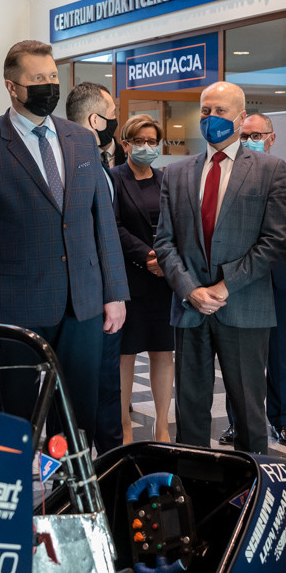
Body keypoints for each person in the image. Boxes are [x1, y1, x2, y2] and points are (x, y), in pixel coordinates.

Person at [0, 40, 129, 442]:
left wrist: (115, 292)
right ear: (12, 87)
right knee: (17, 421)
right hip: (17, 308)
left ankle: (66, 485)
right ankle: (14, 482)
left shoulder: (82, 140)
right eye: (38, 79)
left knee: (77, 421)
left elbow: (102, 222)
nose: (49, 85)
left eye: (52, 76)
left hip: (82, 304)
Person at [154, 81, 286, 455]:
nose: (210, 117)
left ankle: (252, 483)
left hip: (243, 306)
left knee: (248, 412)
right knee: (190, 412)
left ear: (241, 117)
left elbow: (275, 241)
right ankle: (194, 483)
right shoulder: (176, 173)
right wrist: (190, 290)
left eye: (220, 111)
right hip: (190, 309)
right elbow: (164, 242)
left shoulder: (270, 170)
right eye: (205, 110)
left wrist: (224, 287)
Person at [219, 112, 286, 448]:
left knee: (278, 352)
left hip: (277, 273)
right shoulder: (229, 171)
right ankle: (236, 421)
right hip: (240, 274)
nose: (250, 140)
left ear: (271, 138)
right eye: (245, 135)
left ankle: (280, 421)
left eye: (257, 135)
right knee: (238, 354)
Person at [66, 80, 125, 453]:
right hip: (87, 300)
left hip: (101, 297)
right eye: (113, 114)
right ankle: (85, 470)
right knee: (88, 396)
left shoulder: (95, 163)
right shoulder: (76, 163)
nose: (116, 121)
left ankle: (107, 464)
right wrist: (110, 294)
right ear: (95, 120)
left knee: (103, 391)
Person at [110, 114, 174, 443]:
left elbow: (177, 223)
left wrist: (164, 259)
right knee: (126, 355)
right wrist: (147, 255)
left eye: (152, 141)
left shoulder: (166, 180)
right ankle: (124, 425)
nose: (147, 147)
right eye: (140, 141)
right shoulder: (114, 179)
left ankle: (162, 426)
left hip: (164, 282)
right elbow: (113, 225)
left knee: (163, 352)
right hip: (129, 280)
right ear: (126, 144)